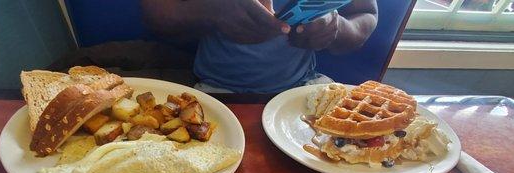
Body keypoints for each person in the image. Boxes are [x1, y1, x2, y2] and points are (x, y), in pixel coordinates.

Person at [141, 0, 378, 93]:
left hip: (303, 86)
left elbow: (366, 13)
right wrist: (213, 12)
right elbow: (158, 16)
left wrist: (335, 29)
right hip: (216, 89)